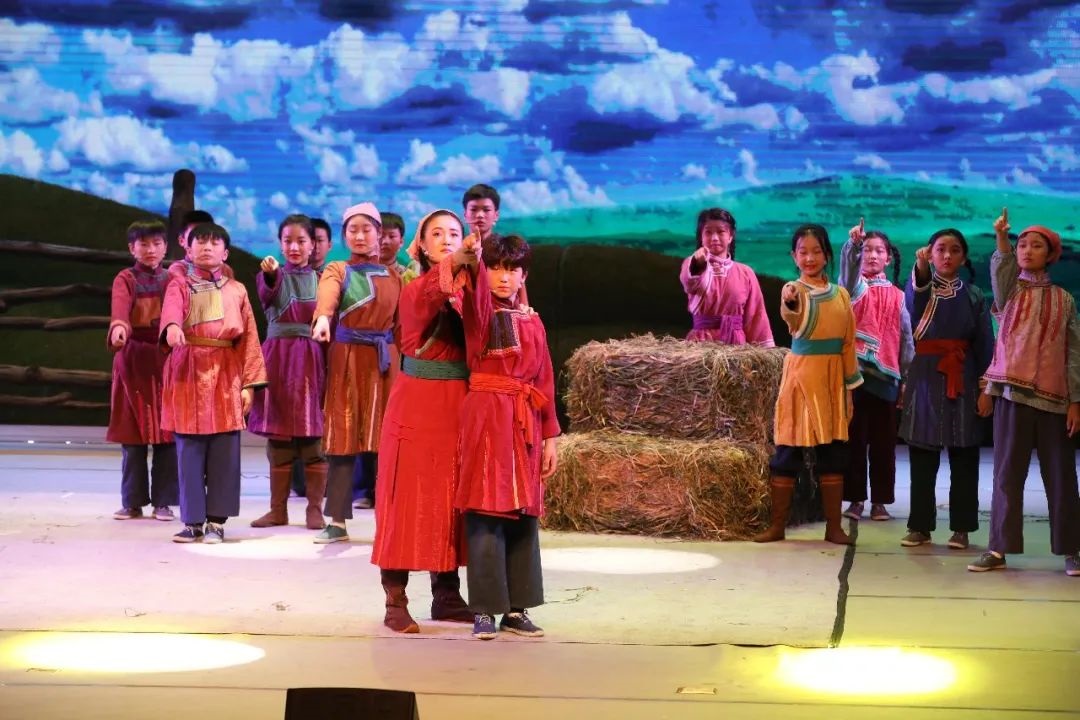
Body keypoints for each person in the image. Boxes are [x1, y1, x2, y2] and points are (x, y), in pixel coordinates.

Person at [452, 231, 560, 640]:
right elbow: (473, 293)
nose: (503, 277)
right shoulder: (477, 311)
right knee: (485, 510)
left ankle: (517, 609)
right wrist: (472, 255)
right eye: (495, 268)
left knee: (524, 515)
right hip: (486, 415)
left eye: (512, 269)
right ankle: (484, 609)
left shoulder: (533, 320)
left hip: (524, 420)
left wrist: (550, 437)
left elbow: (544, 381)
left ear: (523, 275)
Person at [371, 209, 474, 633]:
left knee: (451, 500)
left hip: (460, 405)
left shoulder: (473, 290)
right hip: (417, 405)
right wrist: (461, 259)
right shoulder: (416, 288)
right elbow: (434, 292)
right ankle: (395, 599)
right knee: (406, 501)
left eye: (455, 233)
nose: (447, 239)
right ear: (423, 245)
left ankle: (447, 594)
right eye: (437, 234)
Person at [968, 210, 1080, 576]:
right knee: (1007, 475)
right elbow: (1000, 270)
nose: (1027, 251)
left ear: (1050, 254)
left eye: (1036, 246)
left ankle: (1072, 549)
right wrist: (1002, 238)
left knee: (1062, 478)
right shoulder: (1010, 291)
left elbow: (1073, 353)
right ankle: (998, 548)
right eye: (1022, 245)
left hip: (1054, 399)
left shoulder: (1064, 299)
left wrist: (1076, 401)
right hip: (1013, 396)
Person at [753, 224, 861, 546]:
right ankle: (777, 526)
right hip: (801, 378)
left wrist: (850, 389)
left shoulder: (841, 295)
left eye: (816, 251)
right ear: (794, 256)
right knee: (788, 451)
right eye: (803, 252)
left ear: (827, 255)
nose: (810, 258)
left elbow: (848, 344)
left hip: (832, 380)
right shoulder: (793, 290)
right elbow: (791, 316)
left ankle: (834, 527)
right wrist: (789, 302)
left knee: (833, 454)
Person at [159, 223, 267, 543]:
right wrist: (172, 327)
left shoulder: (237, 290)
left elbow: (249, 339)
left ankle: (217, 522)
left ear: (226, 252)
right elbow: (171, 311)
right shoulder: (179, 284)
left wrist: (249, 385)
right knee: (189, 451)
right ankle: (192, 520)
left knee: (224, 451)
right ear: (188, 249)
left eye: (214, 242)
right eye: (200, 242)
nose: (207, 247)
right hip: (188, 369)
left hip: (226, 371)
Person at [311, 203, 402, 543]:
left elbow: (402, 327)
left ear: (379, 234)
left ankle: (390, 521)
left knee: (386, 441)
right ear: (344, 235)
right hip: (346, 358)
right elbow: (328, 295)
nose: (360, 236)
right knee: (342, 437)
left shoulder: (395, 276)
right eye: (353, 230)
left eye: (367, 229)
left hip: (385, 361)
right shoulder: (337, 269)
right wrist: (323, 318)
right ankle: (336, 520)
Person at [899, 228, 994, 550]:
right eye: (940, 249)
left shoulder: (975, 295)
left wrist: (986, 389)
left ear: (964, 258)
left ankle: (962, 528)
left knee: (964, 457)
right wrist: (921, 267)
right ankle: (920, 527)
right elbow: (917, 296)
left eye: (955, 250)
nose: (947, 255)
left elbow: (985, 345)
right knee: (922, 457)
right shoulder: (920, 288)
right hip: (926, 376)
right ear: (930, 253)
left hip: (963, 376)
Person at [247, 214, 327, 531]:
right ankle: (277, 510)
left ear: (312, 245)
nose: (294, 247)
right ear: (280, 245)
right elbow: (268, 291)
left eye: (301, 241)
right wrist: (270, 274)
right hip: (278, 360)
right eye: (288, 241)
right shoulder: (271, 275)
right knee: (279, 438)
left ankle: (314, 509)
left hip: (311, 359)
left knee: (313, 438)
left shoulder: (323, 280)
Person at [838, 219, 914, 522]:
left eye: (878, 250)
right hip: (855, 376)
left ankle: (881, 501)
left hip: (887, 378)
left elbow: (905, 337)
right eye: (867, 249)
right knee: (854, 440)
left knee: (884, 444)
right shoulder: (853, 288)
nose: (872, 255)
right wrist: (853, 245)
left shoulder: (898, 295)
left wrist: (906, 377)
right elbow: (848, 270)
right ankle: (855, 499)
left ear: (888, 258)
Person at [107, 220, 178, 522]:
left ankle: (163, 501)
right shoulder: (126, 278)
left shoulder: (173, 278)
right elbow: (120, 308)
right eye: (144, 244)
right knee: (132, 437)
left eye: (157, 244)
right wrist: (119, 329)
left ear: (165, 247)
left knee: (167, 437)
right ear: (131, 248)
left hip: (166, 360)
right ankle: (132, 502)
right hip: (133, 360)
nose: (151, 250)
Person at [679, 208, 774, 346]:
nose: (714, 238)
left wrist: (765, 352)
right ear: (701, 237)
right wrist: (698, 263)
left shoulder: (746, 273)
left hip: (736, 345)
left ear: (730, 236)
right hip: (700, 344)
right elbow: (688, 282)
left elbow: (756, 316)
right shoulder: (692, 265)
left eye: (721, 231)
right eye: (708, 232)